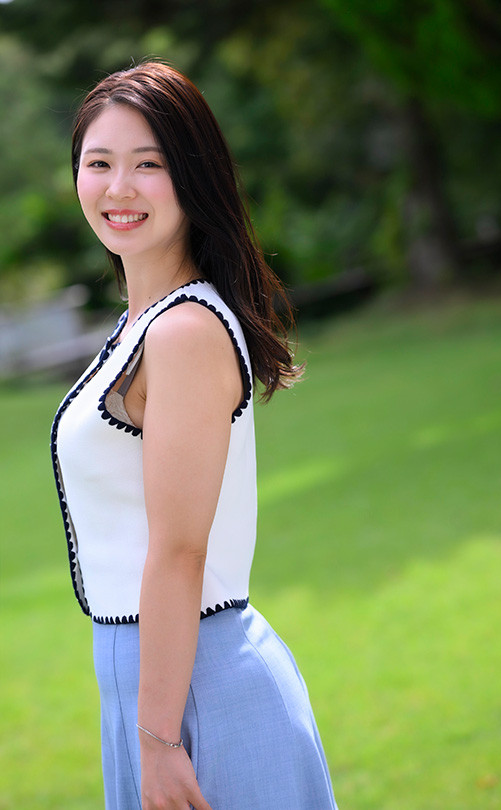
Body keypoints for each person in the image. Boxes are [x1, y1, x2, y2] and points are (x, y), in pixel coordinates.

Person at [51, 60, 338, 810]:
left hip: (199, 699)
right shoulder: (141, 324)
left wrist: (159, 738)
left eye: (149, 165)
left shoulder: (182, 331)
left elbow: (180, 551)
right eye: (99, 163)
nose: (119, 188)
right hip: (153, 688)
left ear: (193, 177)